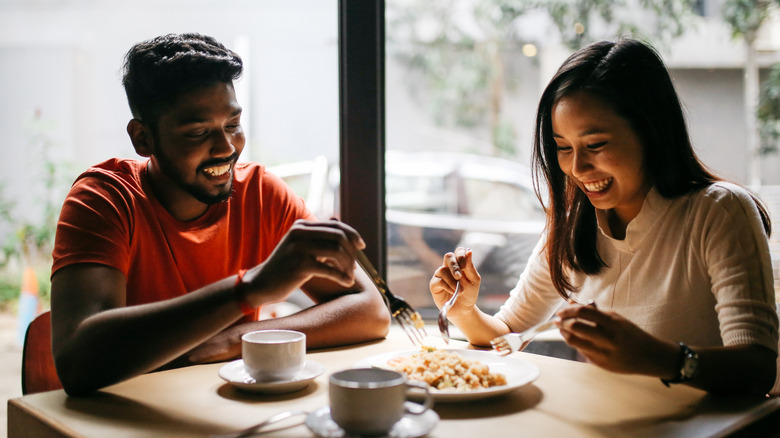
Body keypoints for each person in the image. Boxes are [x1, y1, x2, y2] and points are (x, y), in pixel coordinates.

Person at [429, 38, 779, 395]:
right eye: (563, 147)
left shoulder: (719, 211)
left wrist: (658, 358)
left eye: (595, 145)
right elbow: (507, 334)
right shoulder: (573, 224)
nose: (577, 167)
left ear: (651, 130)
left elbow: (758, 367)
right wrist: (464, 311)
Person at [50, 33, 391, 396]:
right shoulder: (104, 199)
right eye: (198, 132)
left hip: (223, 405)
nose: (227, 148)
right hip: (125, 412)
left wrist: (232, 340)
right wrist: (250, 289)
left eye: (232, 125)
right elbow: (77, 362)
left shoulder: (261, 193)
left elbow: (371, 311)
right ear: (143, 139)